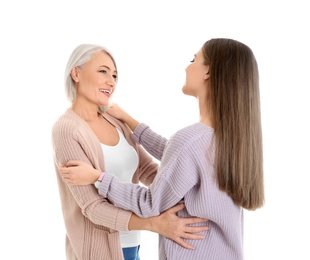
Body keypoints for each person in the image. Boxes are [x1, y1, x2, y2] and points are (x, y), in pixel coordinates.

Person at [59, 38, 265, 260]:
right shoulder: (227, 140)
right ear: (76, 74)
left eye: (194, 59)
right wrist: (131, 122)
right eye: (103, 71)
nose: (187, 66)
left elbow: (152, 199)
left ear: (208, 72)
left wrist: (98, 177)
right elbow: (177, 159)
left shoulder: (190, 141)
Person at [51, 43, 210, 260]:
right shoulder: (67, 129)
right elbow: (92, 208)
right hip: (100, 251)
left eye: (115, 75)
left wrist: (192, 193)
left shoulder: (114, 119)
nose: (111, 81)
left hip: (131, 244)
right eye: (103, 71)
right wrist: (154, 224)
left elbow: (148, 170)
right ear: (76, 73)